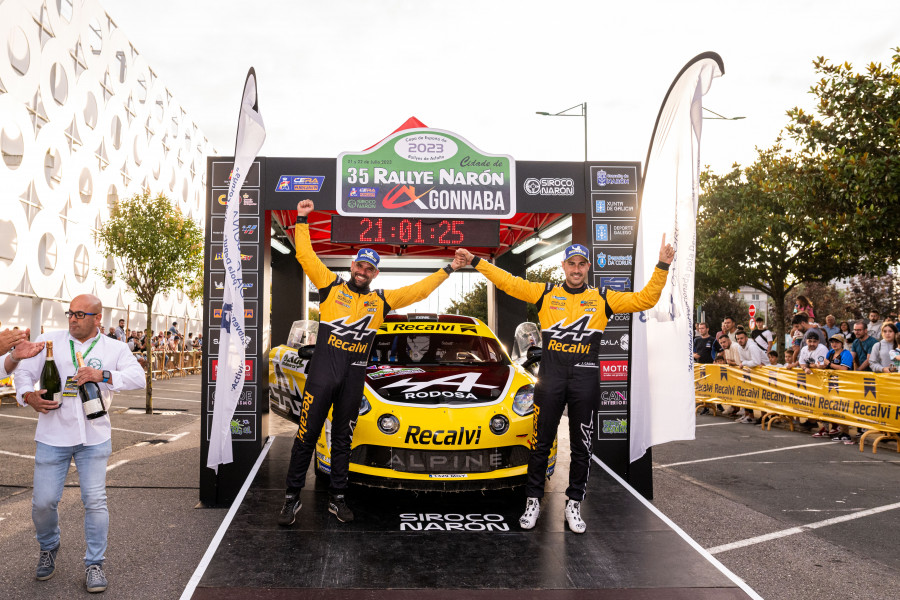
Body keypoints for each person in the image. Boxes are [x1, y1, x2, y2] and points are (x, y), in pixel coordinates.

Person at [456, 235, 674, 534]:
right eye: (571, 263)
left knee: (582, 446)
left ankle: (574, 504)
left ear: (588, 268)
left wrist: (662, 264)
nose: (576, 269)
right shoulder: (545, 293)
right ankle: (533, 501)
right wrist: (477, 261)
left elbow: (646, 298)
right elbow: (508, 282)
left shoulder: (604, 298)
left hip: (585, 379)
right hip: (552, 378)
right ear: (563, 266)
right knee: (540, 444)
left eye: (581, 264)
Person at [279, 199, 465, 527]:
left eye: (369, 269)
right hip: (322, 376)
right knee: (306, 436)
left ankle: (338, 499)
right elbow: (305, 255)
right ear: (353, 265)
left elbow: (418, 291)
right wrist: (303, 218)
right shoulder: (330, 286)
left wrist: (448, 268)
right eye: (360, 265)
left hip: (352, 379)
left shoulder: (381, 301)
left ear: (375, 273)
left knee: (342, 441)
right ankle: (291, 498)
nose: (363, 272)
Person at [13, 294, 145, 593]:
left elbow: (139, 378)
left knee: (95, 501)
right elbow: (23, 373)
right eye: (70, 313)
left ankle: (94, 563)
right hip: (52, 435)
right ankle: (49, 546)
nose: (73, 318)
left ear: (98, 319)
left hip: (94, 436)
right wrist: (28, 396)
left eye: (80, 314)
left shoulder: (114, 347)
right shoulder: (49, 341)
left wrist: (103, 375)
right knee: (43, 503)